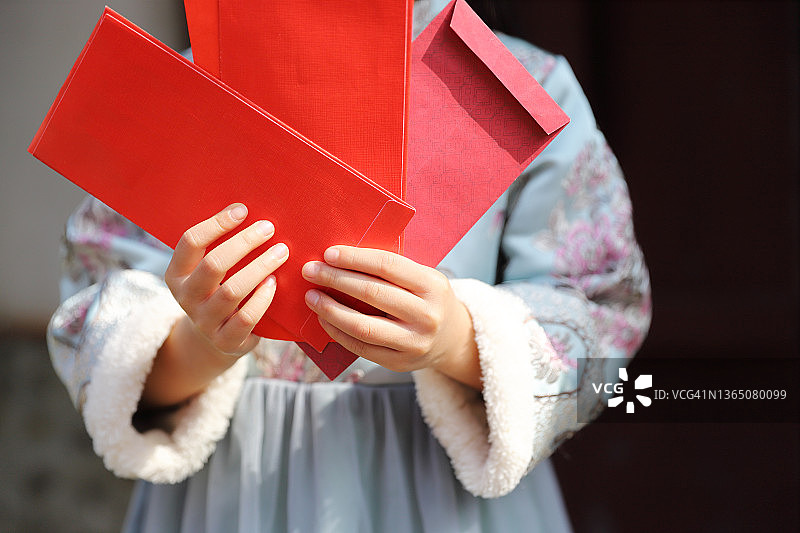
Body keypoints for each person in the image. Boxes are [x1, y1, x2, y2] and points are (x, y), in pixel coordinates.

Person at [48, 0, 651, 530]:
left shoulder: (515, 83)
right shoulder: (174, 88)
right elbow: (95, 317)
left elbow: (603, 306)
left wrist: (457, 338)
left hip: (447, 493)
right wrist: (202, 342)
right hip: (232, 491)